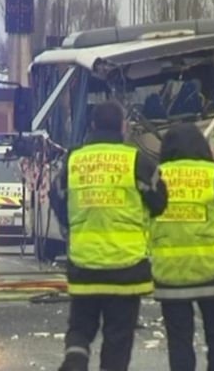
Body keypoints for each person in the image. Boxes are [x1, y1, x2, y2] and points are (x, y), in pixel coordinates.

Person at [50, 101, 168, 371]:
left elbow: (56, 196)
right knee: (118, 336)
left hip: (84, 264)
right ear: (122, 127)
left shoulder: (74, 160)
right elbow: (159, 201)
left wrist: (72, 228)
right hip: (126, 268)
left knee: (80, 328)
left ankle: (75, 360)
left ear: (91, 125)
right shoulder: (137, 161)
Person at [151, 123, 214, 371]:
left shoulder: (156, 174)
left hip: (170, 274)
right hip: (211, 272)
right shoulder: (212, 173)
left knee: (179, 342)